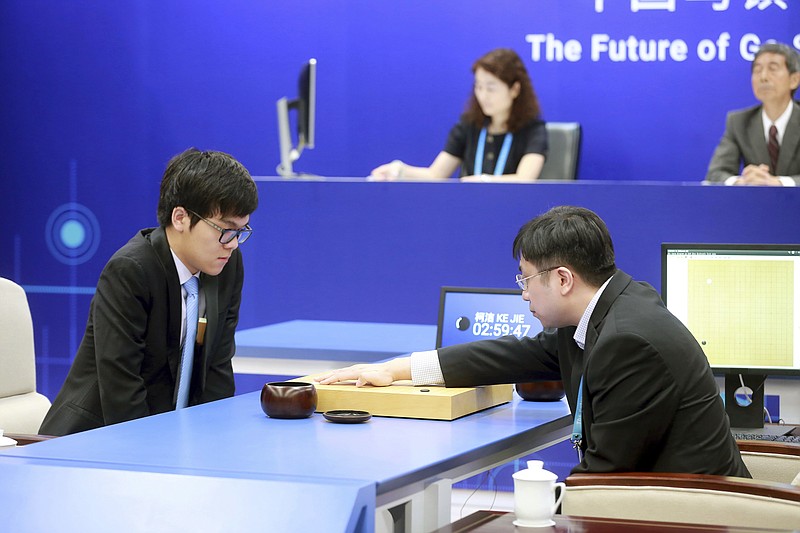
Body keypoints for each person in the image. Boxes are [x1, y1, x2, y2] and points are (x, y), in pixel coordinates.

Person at [317, 206, 750, 478]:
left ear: (563, 279)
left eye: (525, 279)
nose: (522, 292)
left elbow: (606, 474)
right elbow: (509, 356)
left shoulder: (628, 341)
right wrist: (393, 370)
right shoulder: (610, 306)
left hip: (690, 510)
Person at [39, 148, 259, 436]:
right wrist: (154, 461)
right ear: (180, 218)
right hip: (93, 438)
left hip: (170, 441)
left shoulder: (227, 265)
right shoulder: (131, 271)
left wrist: (212, 441)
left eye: (241, 231)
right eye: (225, 229)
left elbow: (216, 367)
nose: (233, 244)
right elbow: (122, 387)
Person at [370, 48, 548, 183]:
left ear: (515, 89)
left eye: (491, 88)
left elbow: (525, 180)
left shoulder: (534, 130)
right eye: (478, 86)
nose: (483, 95)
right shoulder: (468, 125)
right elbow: (436, 174)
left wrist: (484, 181)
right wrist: (400, 171)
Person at [705, 42, 800, 186]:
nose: (763, 77)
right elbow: (715, 174)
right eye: (757, 70)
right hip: (756, 206)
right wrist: (742, 182)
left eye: (773, 69)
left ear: (794, 80)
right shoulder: (739, 122)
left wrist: (779, 182)